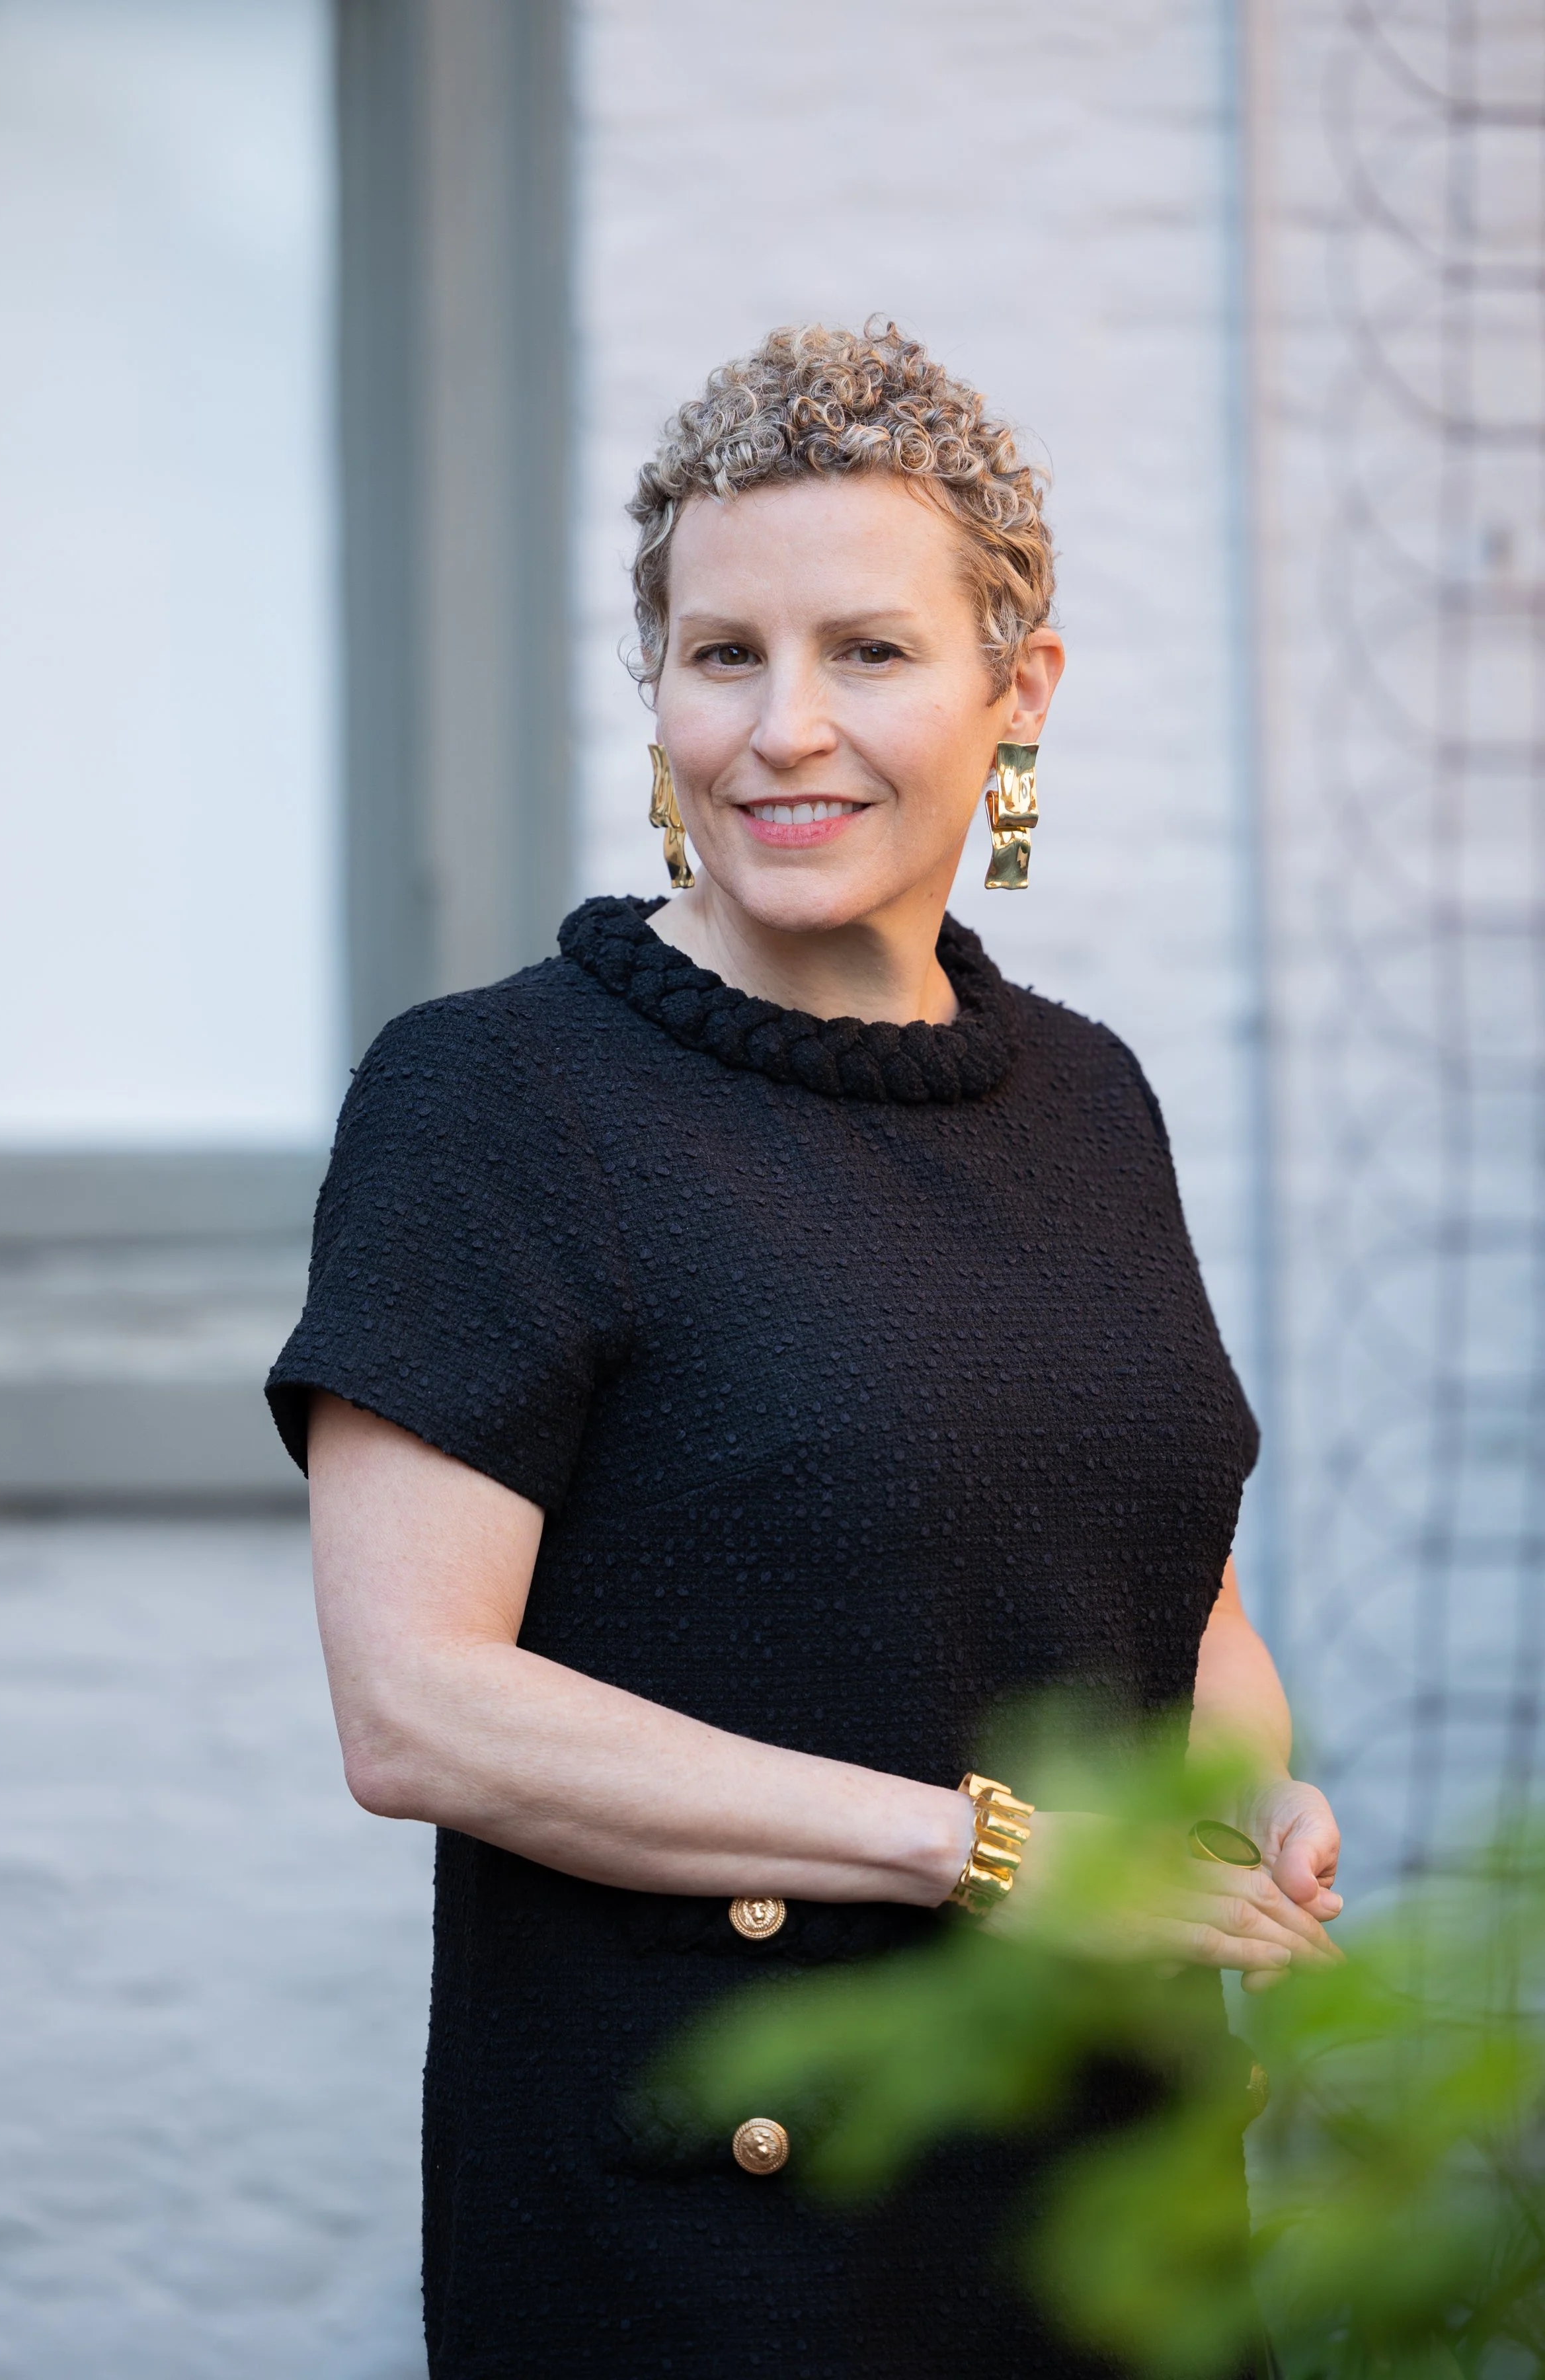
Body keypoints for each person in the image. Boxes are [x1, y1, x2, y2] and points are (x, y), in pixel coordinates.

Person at [267, 322, 1342, 2379]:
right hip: (716, 2241)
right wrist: (996, 1850)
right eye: (721, 654)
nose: (782, 730)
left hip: (1106, 2182)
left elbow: (1163, 1591)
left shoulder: (1088, 1100)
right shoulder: (496, 1099)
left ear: (1017, 692)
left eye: (867, 652)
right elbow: (419, 1709)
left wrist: (1256, 1795)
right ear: (654, 688)